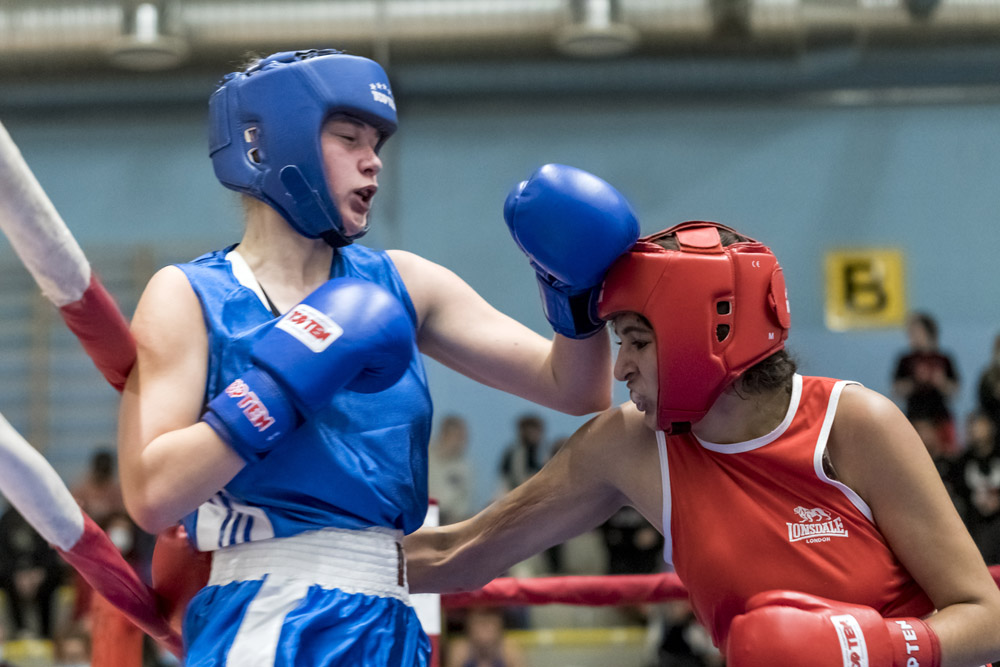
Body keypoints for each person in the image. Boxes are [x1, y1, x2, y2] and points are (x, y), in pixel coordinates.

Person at [116, 49, 639, 665]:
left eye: (378, 143)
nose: (374, 161)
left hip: (390, 612)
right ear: (270, 142)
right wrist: (282, 386)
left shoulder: (404, 284)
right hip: (272, 610)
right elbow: (152, 494)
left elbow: (574, 389)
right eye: (348, 138)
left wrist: (574, 293)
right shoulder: (190, 295)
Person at [406, 221, 1000, 667]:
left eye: (637, 342)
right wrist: (347, 557)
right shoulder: (630, 446)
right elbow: (464, 552)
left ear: (703, 336)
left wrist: (869, 648)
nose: (620, 368)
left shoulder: (851, 424)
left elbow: (987, 618)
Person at [892, 311, 961, 455]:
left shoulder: (944, 359)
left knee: (946, 456)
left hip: (939, 418)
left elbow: (955, 390)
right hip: (915, 418)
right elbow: (896, 390)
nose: (912, 336)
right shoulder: (905, 360)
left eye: (916, 332)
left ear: (928, 332)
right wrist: (915, 381)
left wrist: (940, 381)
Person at [948, 411, 1000, 565]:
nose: (975, 429)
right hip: (975, 524)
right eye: (971, 425)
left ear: (991, 427)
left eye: (979, 424)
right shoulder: (961, 462)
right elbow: (957, 493)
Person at [428, 415, 473, 525]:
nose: (463, 442)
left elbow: (464, 503)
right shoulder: (424, 458)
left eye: (464, 438)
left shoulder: (464, 467)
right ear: (444, 435)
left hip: (449, 520)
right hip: (423, 515)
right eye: (458, 437)